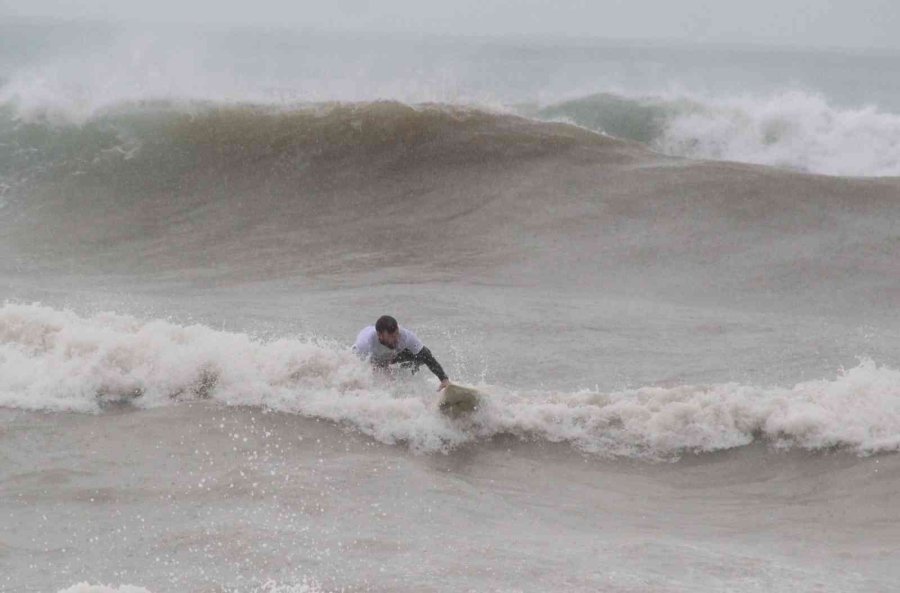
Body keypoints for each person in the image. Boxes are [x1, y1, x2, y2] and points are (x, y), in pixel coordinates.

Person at [353, 315, 451, 391]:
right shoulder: (364, 343)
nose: (396, 339)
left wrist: (444, 379)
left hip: (393, 355)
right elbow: (353, 366)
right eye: (391, 336)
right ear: (380, 335)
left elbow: (426, 355)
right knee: (378, 372)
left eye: (397, 334)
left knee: (421, 357)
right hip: (373, 358)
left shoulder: (404, 336)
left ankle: (409, 378)